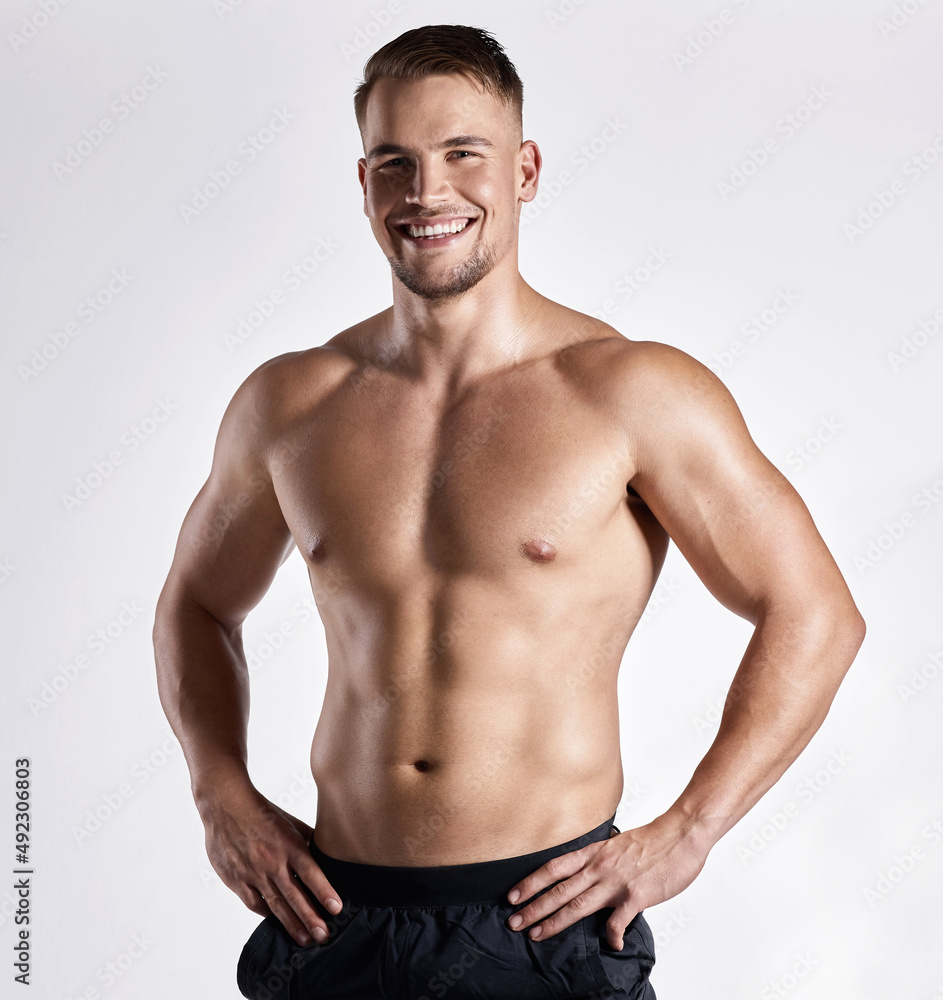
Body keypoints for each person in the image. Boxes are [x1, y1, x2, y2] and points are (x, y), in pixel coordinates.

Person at [153, 23, 865, 1000]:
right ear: (364, 184)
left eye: (461, 156)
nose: (427, 192)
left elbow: (815, 611)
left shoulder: (629, 392)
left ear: (523, 170)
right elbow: (194, 603)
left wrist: (688, 831)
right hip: (333, 917)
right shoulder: (291, 403)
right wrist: (218, 792)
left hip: (542, 925)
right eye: (395, 163)